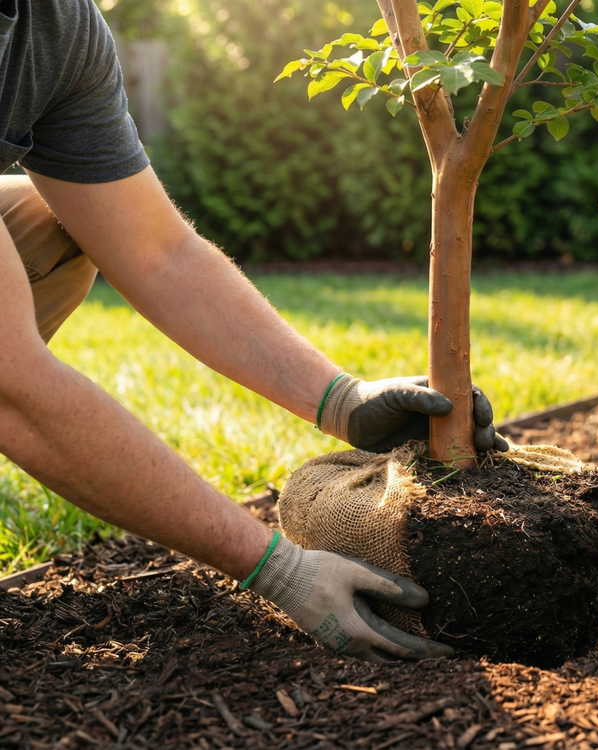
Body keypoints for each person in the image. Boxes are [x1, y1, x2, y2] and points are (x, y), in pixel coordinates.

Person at [0, 0, 505, 662]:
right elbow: (12, 381)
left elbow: (159, 254)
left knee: (53, 224)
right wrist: (280, 570)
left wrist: (343, 401)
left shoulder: (57, 25)